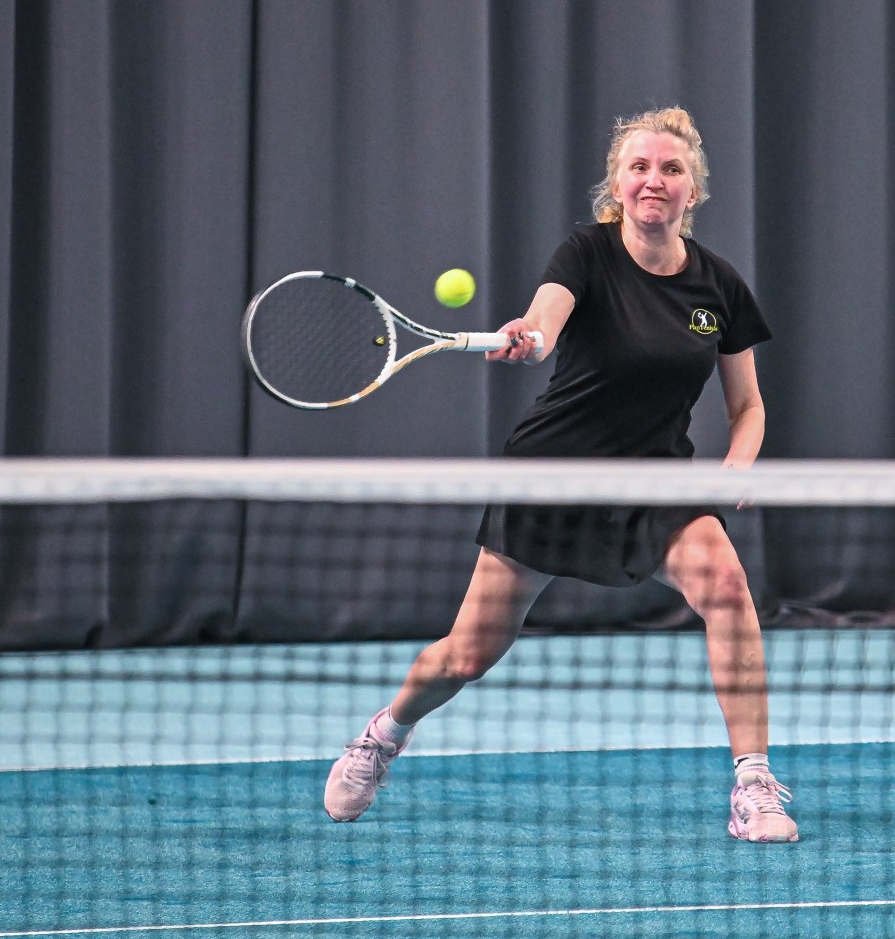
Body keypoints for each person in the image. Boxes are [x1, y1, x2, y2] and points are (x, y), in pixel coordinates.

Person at [324, 106, 797, 843]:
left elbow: (749, 407)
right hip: (552, 477)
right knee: (467, 655)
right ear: (617, 183)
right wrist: (530, 334)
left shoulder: (720, 287)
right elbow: (546, 318)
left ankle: (754, 784)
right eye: (639, 167)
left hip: (654, 486)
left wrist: (738, 468)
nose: (653, 180)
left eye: (670, 169)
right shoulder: (586, 252)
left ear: (692, 190)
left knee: (728, 588)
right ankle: (384, 734)